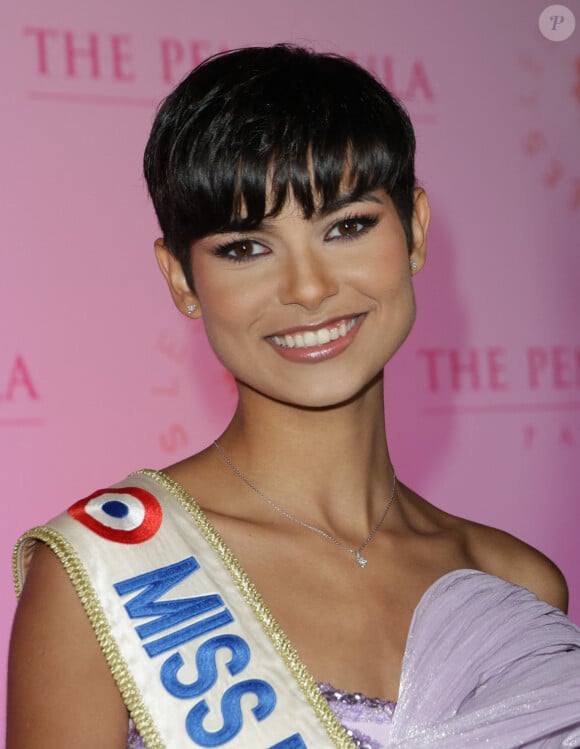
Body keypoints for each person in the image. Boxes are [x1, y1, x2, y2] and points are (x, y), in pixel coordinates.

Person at [7, 45, 580, 749]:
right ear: (181, 279)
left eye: (347, 226)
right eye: (246, 247)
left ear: (416, 231)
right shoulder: (107, 575)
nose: (307, 289)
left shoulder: (517, 585)